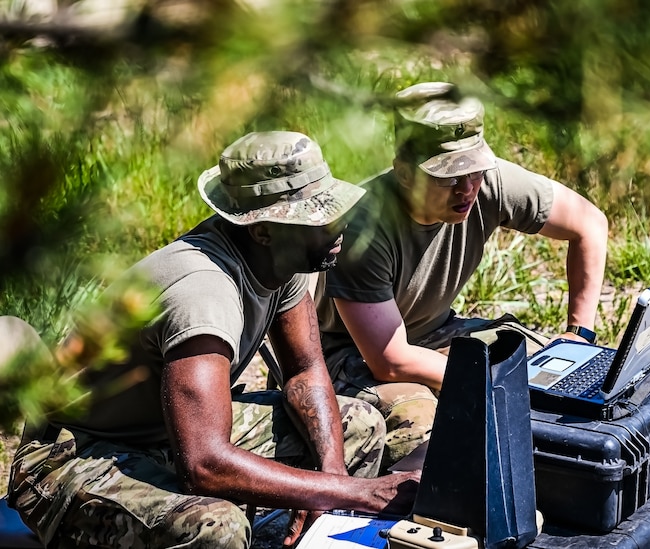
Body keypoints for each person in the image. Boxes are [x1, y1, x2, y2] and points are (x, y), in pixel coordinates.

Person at [5, 131, 419, 549]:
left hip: (168, 436)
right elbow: (203, 465)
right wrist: (357, 493)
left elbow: (305, 373)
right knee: (215, 528)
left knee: (359, 424)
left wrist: (332, 482)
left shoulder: (284, 261)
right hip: (74, 457)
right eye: (319, 219)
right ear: (262, 230)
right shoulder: (202, 291)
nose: (339, 226)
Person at [316, 82, 609, 469]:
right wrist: (492, 379)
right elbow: (390, 362)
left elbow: (589, 224)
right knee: (424, 429)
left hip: (435, 332)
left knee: (568, 377)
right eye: (448, 175)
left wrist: (579, 336)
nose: (467, 188)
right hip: (347, 354)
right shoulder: (363, 227)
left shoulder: (488, 182)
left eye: (475, 170)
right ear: (404, 172)